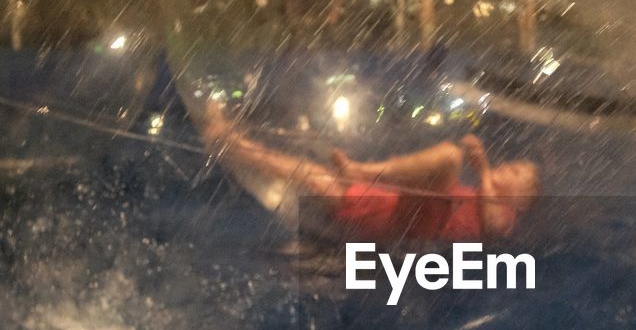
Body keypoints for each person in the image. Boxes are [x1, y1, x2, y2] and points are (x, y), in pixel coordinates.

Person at [205, 112, 540, 240]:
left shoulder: (507, 217)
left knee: (450, 156)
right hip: (411, 209)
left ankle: (360, 172)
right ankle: (232, 143)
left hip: (420, 227)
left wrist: (481, 171)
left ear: (521, 200)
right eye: (509, 164)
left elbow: (493, 227)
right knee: (312, 176)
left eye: (515, 173)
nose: (504, 167)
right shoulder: (472, 195)